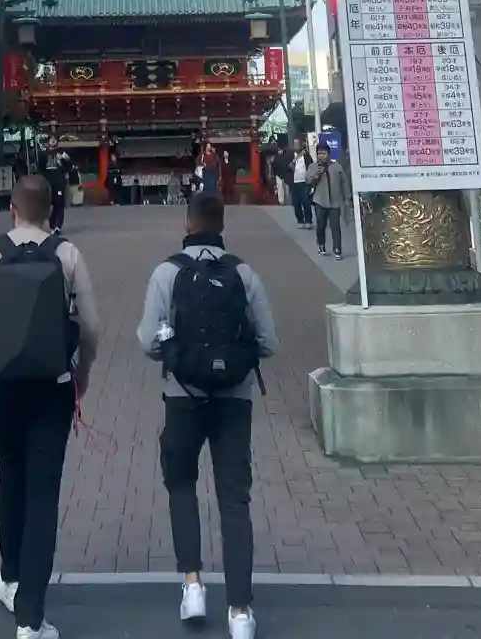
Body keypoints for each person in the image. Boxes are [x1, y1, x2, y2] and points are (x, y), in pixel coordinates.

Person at [0, 174, 99, 639]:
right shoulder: (68, 254)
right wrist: (82, 372)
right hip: (52, 387)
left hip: (3, 385)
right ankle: (31, 618)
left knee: (10, 474)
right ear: (51, 210)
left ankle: (10, 576)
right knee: (42, 494)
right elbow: (91, 327)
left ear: (13, 209)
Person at [137, 191, 277, 639]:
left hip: (182, 395)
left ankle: (193, 585)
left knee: (181, 485)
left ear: (187, 224)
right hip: (234, 399)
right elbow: (268, 342)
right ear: (222, 226)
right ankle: (240, 611)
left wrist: (180, 353)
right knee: (234, 499)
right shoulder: (244, 273)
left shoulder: (167, 272)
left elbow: (147, 340)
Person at [310, 141, 348, 259]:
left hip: (335, 202)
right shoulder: (313, 167)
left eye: (324, 153)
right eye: (319, 153)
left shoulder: (336, 167)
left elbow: (344, 183)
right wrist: (316, 175)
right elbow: (307, 180)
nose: (322, 156)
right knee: (320, 225)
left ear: (329, 154)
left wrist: (347, 197)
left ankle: (337, 249)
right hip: (320, 201)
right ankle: (321, 244)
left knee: (335, 227)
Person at [43, 143, 68, 234]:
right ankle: (52, 224)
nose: (53, 141)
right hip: (49, 184)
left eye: (55, 139)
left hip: (59, 184)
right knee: (51, 206)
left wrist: (63, 159)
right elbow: (41, 169)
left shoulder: (62, 153)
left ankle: (58, 227)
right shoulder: (44, 155)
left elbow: (69, 167)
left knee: (59, 205)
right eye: (51, 139)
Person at [290, 138, 313, 227]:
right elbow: (285, 167)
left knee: (305, 201)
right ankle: (300, 220)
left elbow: (311, 167)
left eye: (298, 144)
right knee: (296, 202)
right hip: (294, 182)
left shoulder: (306, 156)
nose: (296, 146)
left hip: (304, 182)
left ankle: (308, 220)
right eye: (295, 144)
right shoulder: (290, 156)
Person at [270, 143, 292, 208]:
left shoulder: (276, 157)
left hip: (281, 174)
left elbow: (273, 165)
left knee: (281, 187)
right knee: (282, 187)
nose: (279, 151)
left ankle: (282, 200)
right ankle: (283, 201)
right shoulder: (281, 157)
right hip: (282, 174)